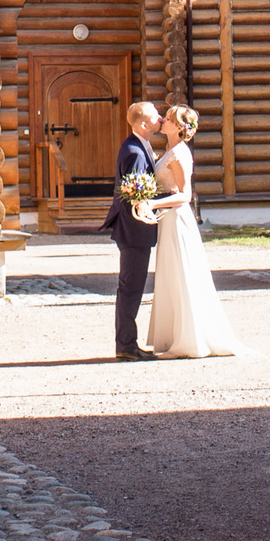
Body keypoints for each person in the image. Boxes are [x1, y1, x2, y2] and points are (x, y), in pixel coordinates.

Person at [144, 106, 245, 359]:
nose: (163, 120)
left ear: (179, 127)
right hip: (167, 221)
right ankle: (171, 337)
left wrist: (152, 203)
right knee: (171, 276)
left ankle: (189, 341)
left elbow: (185, 194)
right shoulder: (168, 150)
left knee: (183, 274)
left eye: (168, 118)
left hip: (177, 220)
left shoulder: (179, 153)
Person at [99, 101, 163, 362]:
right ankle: (125, 346)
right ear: (144, 123)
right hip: (134, 230)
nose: (160, 119)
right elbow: (135, 193)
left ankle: (127, 343)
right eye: (155, 116)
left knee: (131, 287)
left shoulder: (138, 146)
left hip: (133, 230)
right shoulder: (134, 151)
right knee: (130, 288)